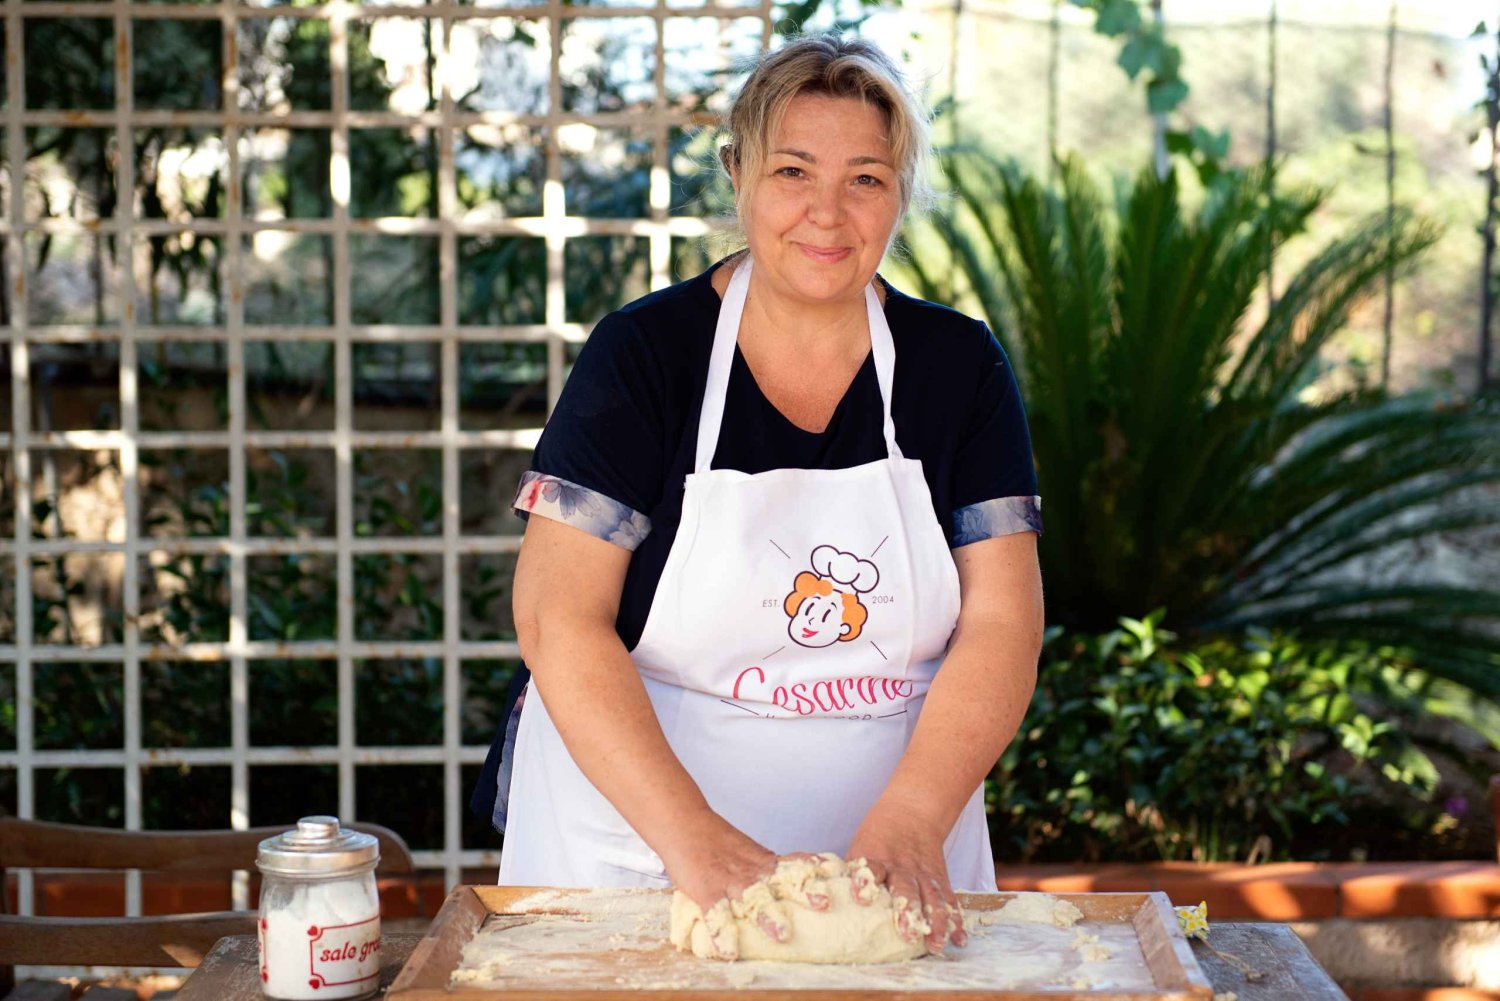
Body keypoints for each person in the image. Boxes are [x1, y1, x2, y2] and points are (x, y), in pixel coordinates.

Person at [471, 32, 1045, 957]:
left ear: (899, 194)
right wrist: (692, 839)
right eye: (792, 171)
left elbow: (1003, 624)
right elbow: (557, 618)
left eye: (866, 177)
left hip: (892, 833)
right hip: (639, 833)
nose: (828, 213)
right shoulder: (645, 355)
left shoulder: (957, 367)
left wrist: (910, 819)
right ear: (738, 175)